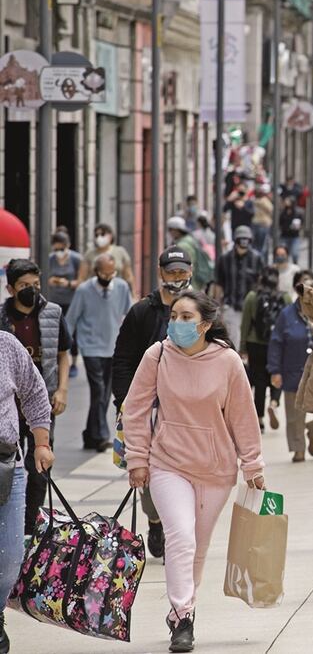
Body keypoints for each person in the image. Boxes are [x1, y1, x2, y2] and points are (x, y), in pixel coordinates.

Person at [124, 291, 265, 652]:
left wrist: (253, 464)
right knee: (181, 539)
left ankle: (182, 609)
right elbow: (135, 409)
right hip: (168, 463)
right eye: (174, 316)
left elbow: (242, 417)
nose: (177, 323)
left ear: (205, 324)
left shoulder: (228, 361)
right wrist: (137, 458)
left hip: (216, 470)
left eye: (186, 317)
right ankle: (184, 616)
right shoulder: (157, 356)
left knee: (197, 548)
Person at [113, 248, 193, 558]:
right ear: (160, 273)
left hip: (189, 407)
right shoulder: (142, 312)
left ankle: (180, 525)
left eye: (182, 272)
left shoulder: (202, 309)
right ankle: (156, 519)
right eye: (171, 273)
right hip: (150, 408)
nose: (177, 278)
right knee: (147, 470)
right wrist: (124, 403)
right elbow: (122, 360)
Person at [1, 259, 71, 534]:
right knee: (12, 468)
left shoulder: (52, 313)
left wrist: (62, 389)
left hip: (43, 403)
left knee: (39, 466)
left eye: (35, 285)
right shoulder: (3, 319)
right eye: (23, 286)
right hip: (9, 409)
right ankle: (14, 521)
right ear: (10, 288)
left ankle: (31, 524)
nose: (30, 290)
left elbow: (64, 354)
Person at [0, 331, 54, 654]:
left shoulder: (6, 345)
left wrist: (41, 443)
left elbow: (34, 391)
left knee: (9, 557)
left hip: (7, 462)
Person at [65, 253, 132, 451]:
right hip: (91, 347)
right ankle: (102, 436)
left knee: (104, 394)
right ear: (96, 271)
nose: (109, 276)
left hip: (113, 347)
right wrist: (64, 349)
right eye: (105, 273)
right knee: (98, 391)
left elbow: (129, 316)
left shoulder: (121, 287)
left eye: (112, 273)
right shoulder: (84, 290)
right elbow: (71, 318)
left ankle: (90, 435)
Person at [268, 270, 313, 462]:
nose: (308, 289)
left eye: (312, 285)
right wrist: (275, 370)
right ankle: (298, 449)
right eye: (304, 285)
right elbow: (276, 342)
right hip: (293, 370)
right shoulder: (286, 315)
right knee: (295, 414)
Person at [240, 267, 286, 434]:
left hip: (255, 343)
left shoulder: (252, 297)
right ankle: (273, 403)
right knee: (277, 374)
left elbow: (245, 323)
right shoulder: (284, 297)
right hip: (277, 343)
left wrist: (242, 346)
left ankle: (259, 420)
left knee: (259, 381)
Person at [212, 224, 266, 347]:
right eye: (241, 238)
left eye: (246, 239)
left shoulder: (257, 259)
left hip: (252, 307)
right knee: (233, 340)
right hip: (231, 305)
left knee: (250, 339)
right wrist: (216, 306)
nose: (244, 242)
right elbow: (218, 283)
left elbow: (262, 282)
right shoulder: (225, 259)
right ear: (236, 240)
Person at [46, 232, 82, 376]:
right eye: (56, 249)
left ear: (67, 246)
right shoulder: (50, 259)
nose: (59, 253)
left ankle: (73, 362)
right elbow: (45, 277)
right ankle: (56, 364)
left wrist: (67, 283)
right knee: (54, 333)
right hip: (55, 300)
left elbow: (81, 280)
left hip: (72, 301)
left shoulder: (76, 259)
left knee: (72, 333)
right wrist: (52, 281)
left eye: (61, 249)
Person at [80, 223, 136, 294]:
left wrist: (133, 294)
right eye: (96, 235)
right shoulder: (89, 254)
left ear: (110, 235)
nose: (99, 237)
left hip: (118, 292)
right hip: (95, 293)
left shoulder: (120, 252)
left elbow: (128, 276)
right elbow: (82, 277)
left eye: (103, 234)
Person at [167, 216, 214, 293]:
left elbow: (187, 267)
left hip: (190, 284)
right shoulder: (189, 240)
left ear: (176, 230)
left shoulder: (183, 245)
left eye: (170, 230)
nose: (170, 232)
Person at [279, 196, 305, 263]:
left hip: (294, 236)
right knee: (283, 254)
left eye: (288, 201)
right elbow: (280, 222)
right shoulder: (283, 212)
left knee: (295, 254)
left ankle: (295, 265)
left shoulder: (298, 212)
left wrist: (298, 227)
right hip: (285, 235)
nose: (286, 203)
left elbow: (301, 222)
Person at [251, 185, 274, 255]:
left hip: (263, 224)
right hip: (256, 223)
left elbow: (271, 209)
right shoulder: (254, 200)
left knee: (262, 245)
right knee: (255, 244)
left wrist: (261, 203)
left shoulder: (264, 200)